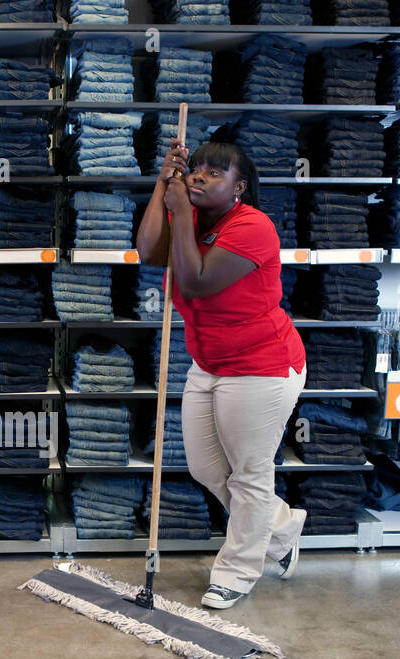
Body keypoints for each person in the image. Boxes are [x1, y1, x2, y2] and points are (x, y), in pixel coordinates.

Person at [135, 136, 307, 610]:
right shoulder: (187, 215)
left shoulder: (253, 226)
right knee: (207, 468)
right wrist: (161, 185)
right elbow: (148, 252)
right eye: (196, 169)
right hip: (209, 362)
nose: (200, 176)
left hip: (261, 366)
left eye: (215, 173)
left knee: (250, 474)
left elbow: (197, 281)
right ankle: (282, 529)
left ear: (239, 188)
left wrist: (182, 213)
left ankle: (237, 572)